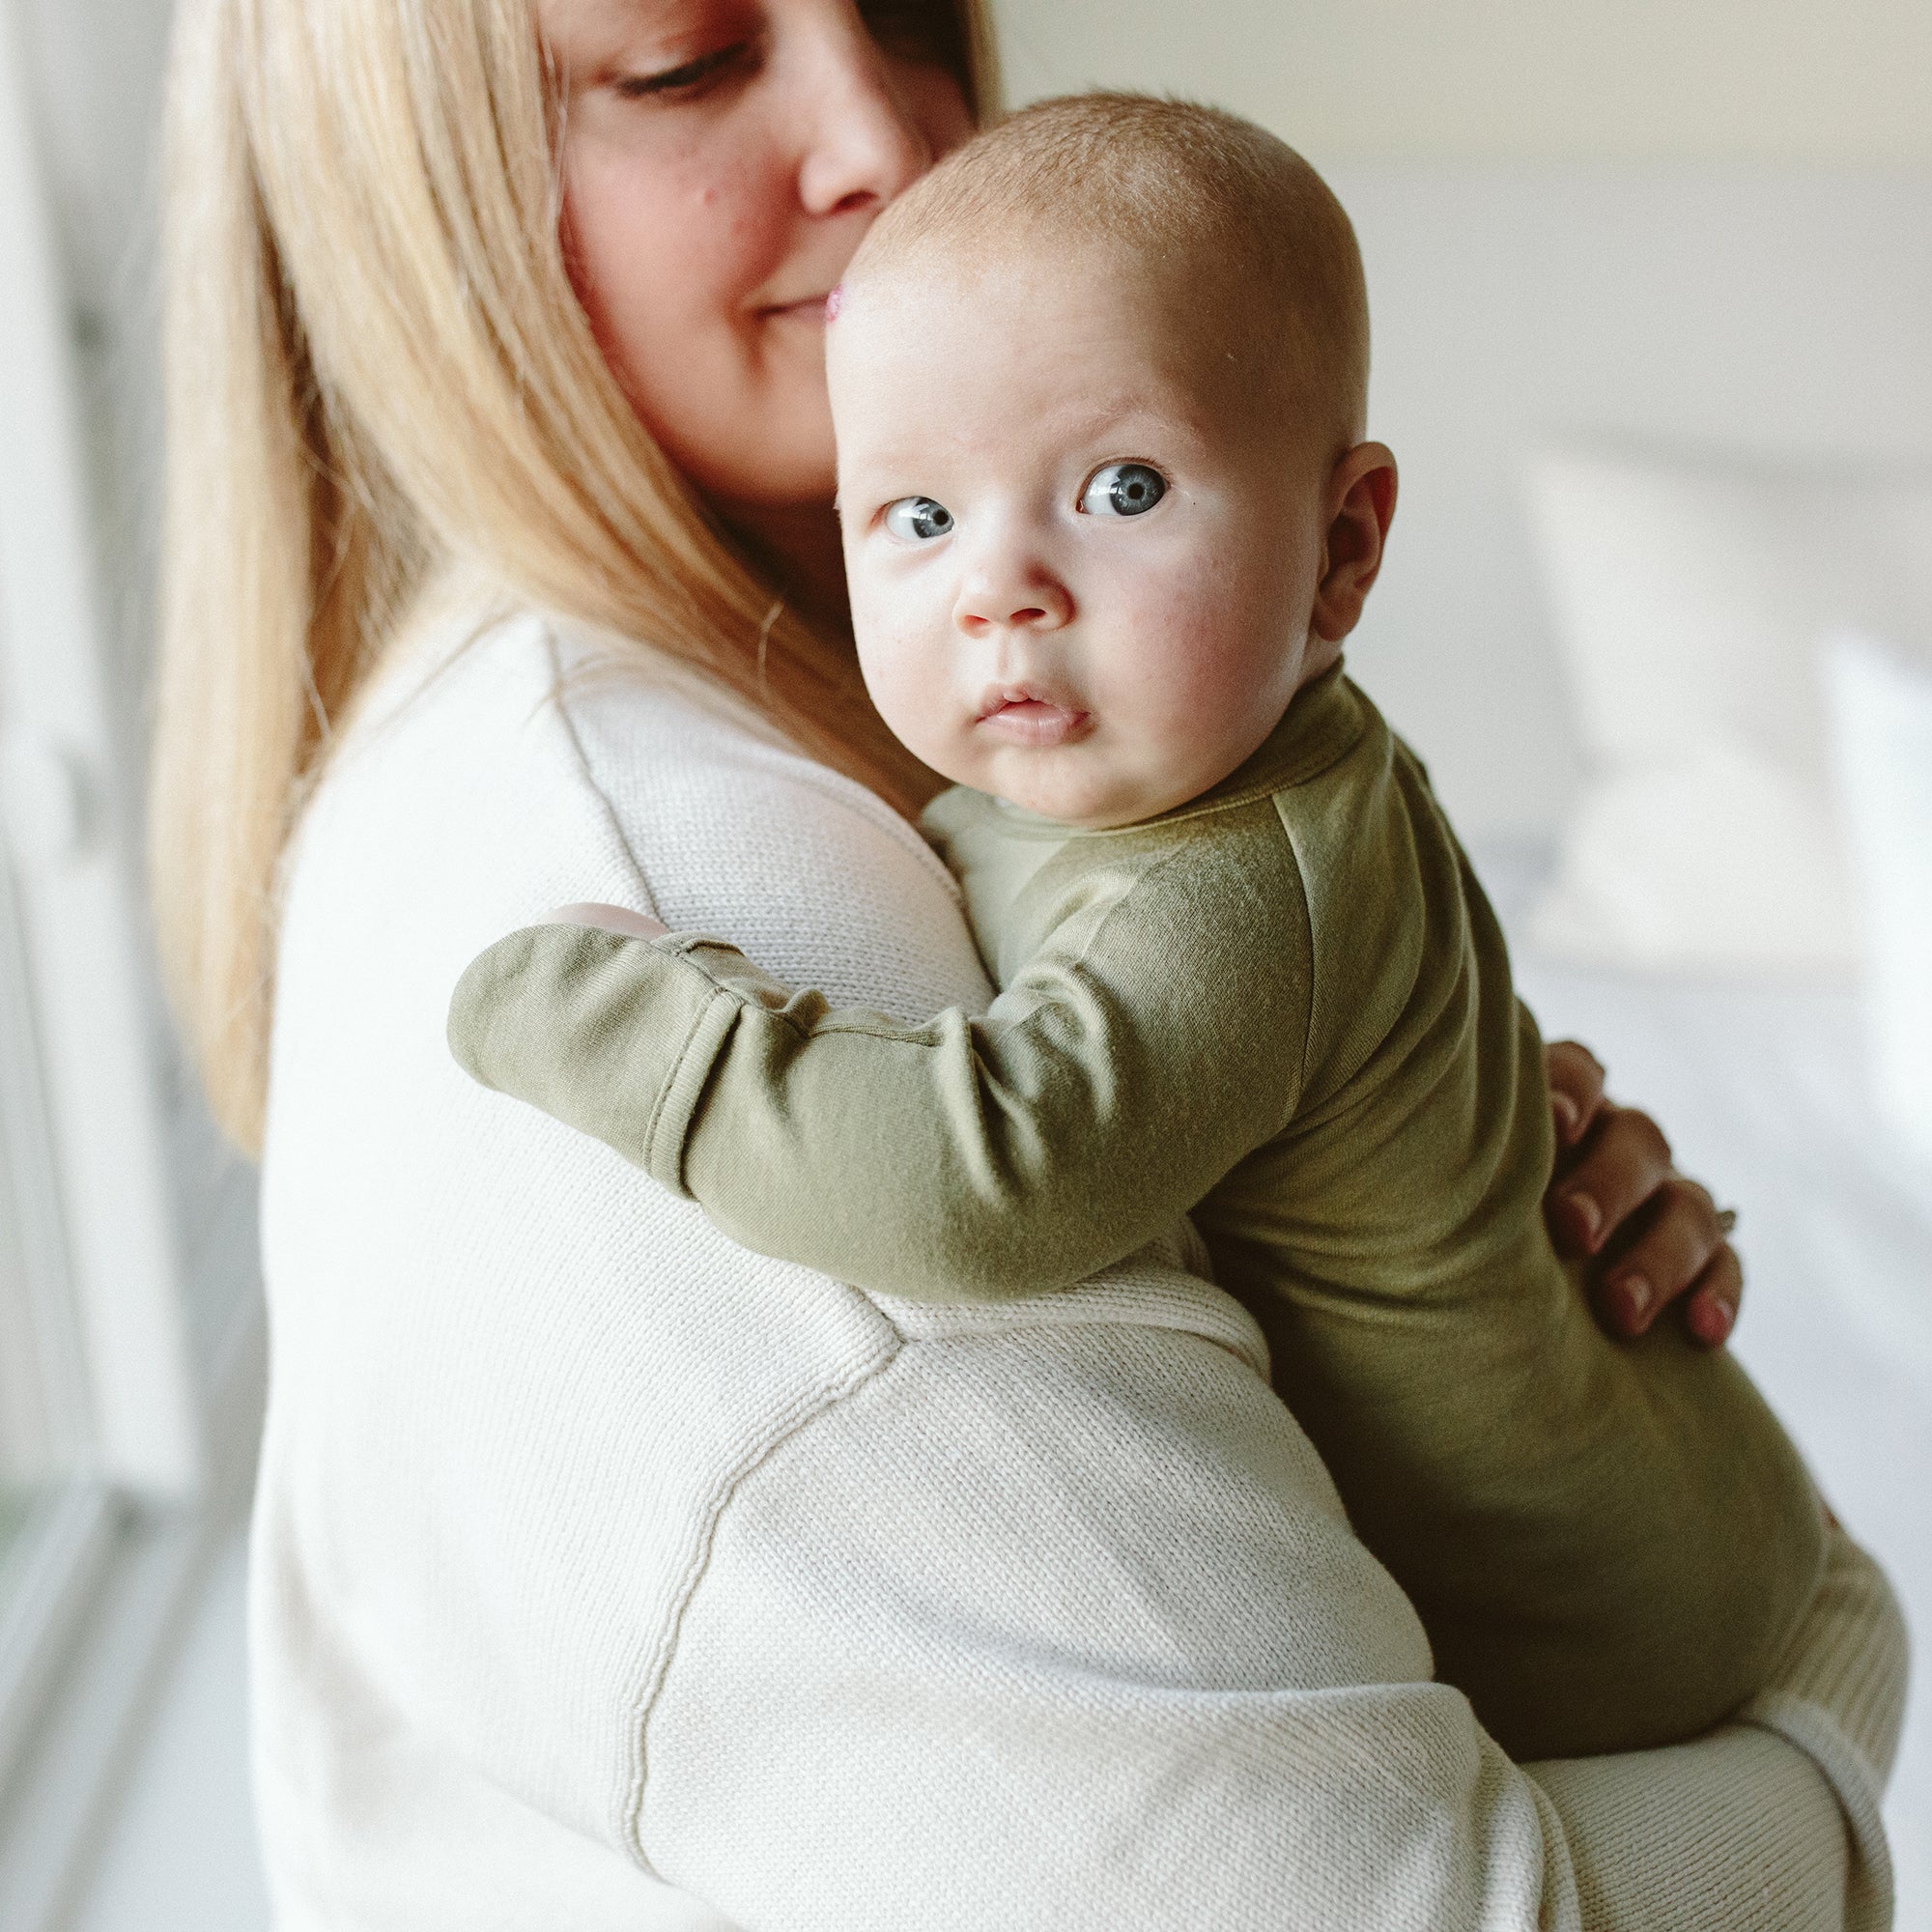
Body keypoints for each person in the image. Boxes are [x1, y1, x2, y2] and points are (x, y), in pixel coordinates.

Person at [148, 2, 1904, 1927]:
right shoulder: (684, 853)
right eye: (682, 60)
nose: (891, 143)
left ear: (1342, 552)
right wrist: (1828, 1699)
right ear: (412, 192)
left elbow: (984, 1163)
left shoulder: (1097, 805)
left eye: (910, 10)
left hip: (1653, 1596)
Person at [448, 94, 1826, 1765]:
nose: (1001, 586)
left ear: (1341, 552)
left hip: (1599, 1620)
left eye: (1118, 485)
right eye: (921, 517)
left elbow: (971, 1182)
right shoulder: (1167, 777)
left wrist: (614, 1011)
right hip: (1673, 1480)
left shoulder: (1232, 885)